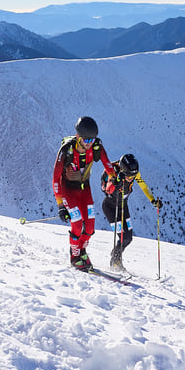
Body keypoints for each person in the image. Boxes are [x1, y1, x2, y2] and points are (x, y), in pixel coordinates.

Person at [52, 116, 114, 270]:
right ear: (78, 137)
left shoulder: (96, 147)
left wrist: (114, 178)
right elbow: (55, 178)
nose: (89, 145)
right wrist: (60, 205)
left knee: (91, 227)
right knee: (78, 224)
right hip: (68, 190)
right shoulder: (66, 150)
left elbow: (108, 165)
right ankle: (75, 256)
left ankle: (82, 251)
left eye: (92, 141)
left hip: (84, 189)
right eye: (86, 141)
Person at [100, 153, 162, 271]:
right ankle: (115, 261)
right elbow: (107, 189)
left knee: (128, 238)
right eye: (128, 175)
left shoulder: (134, 173)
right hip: (111, 208)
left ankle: (116, 255)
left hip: (123, 206)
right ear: (123, 169)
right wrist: (116, 181)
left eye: (133, 176)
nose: (131, 178)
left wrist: (153, 200)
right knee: (123, 237)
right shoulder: (111, 171)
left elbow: (143, 186)